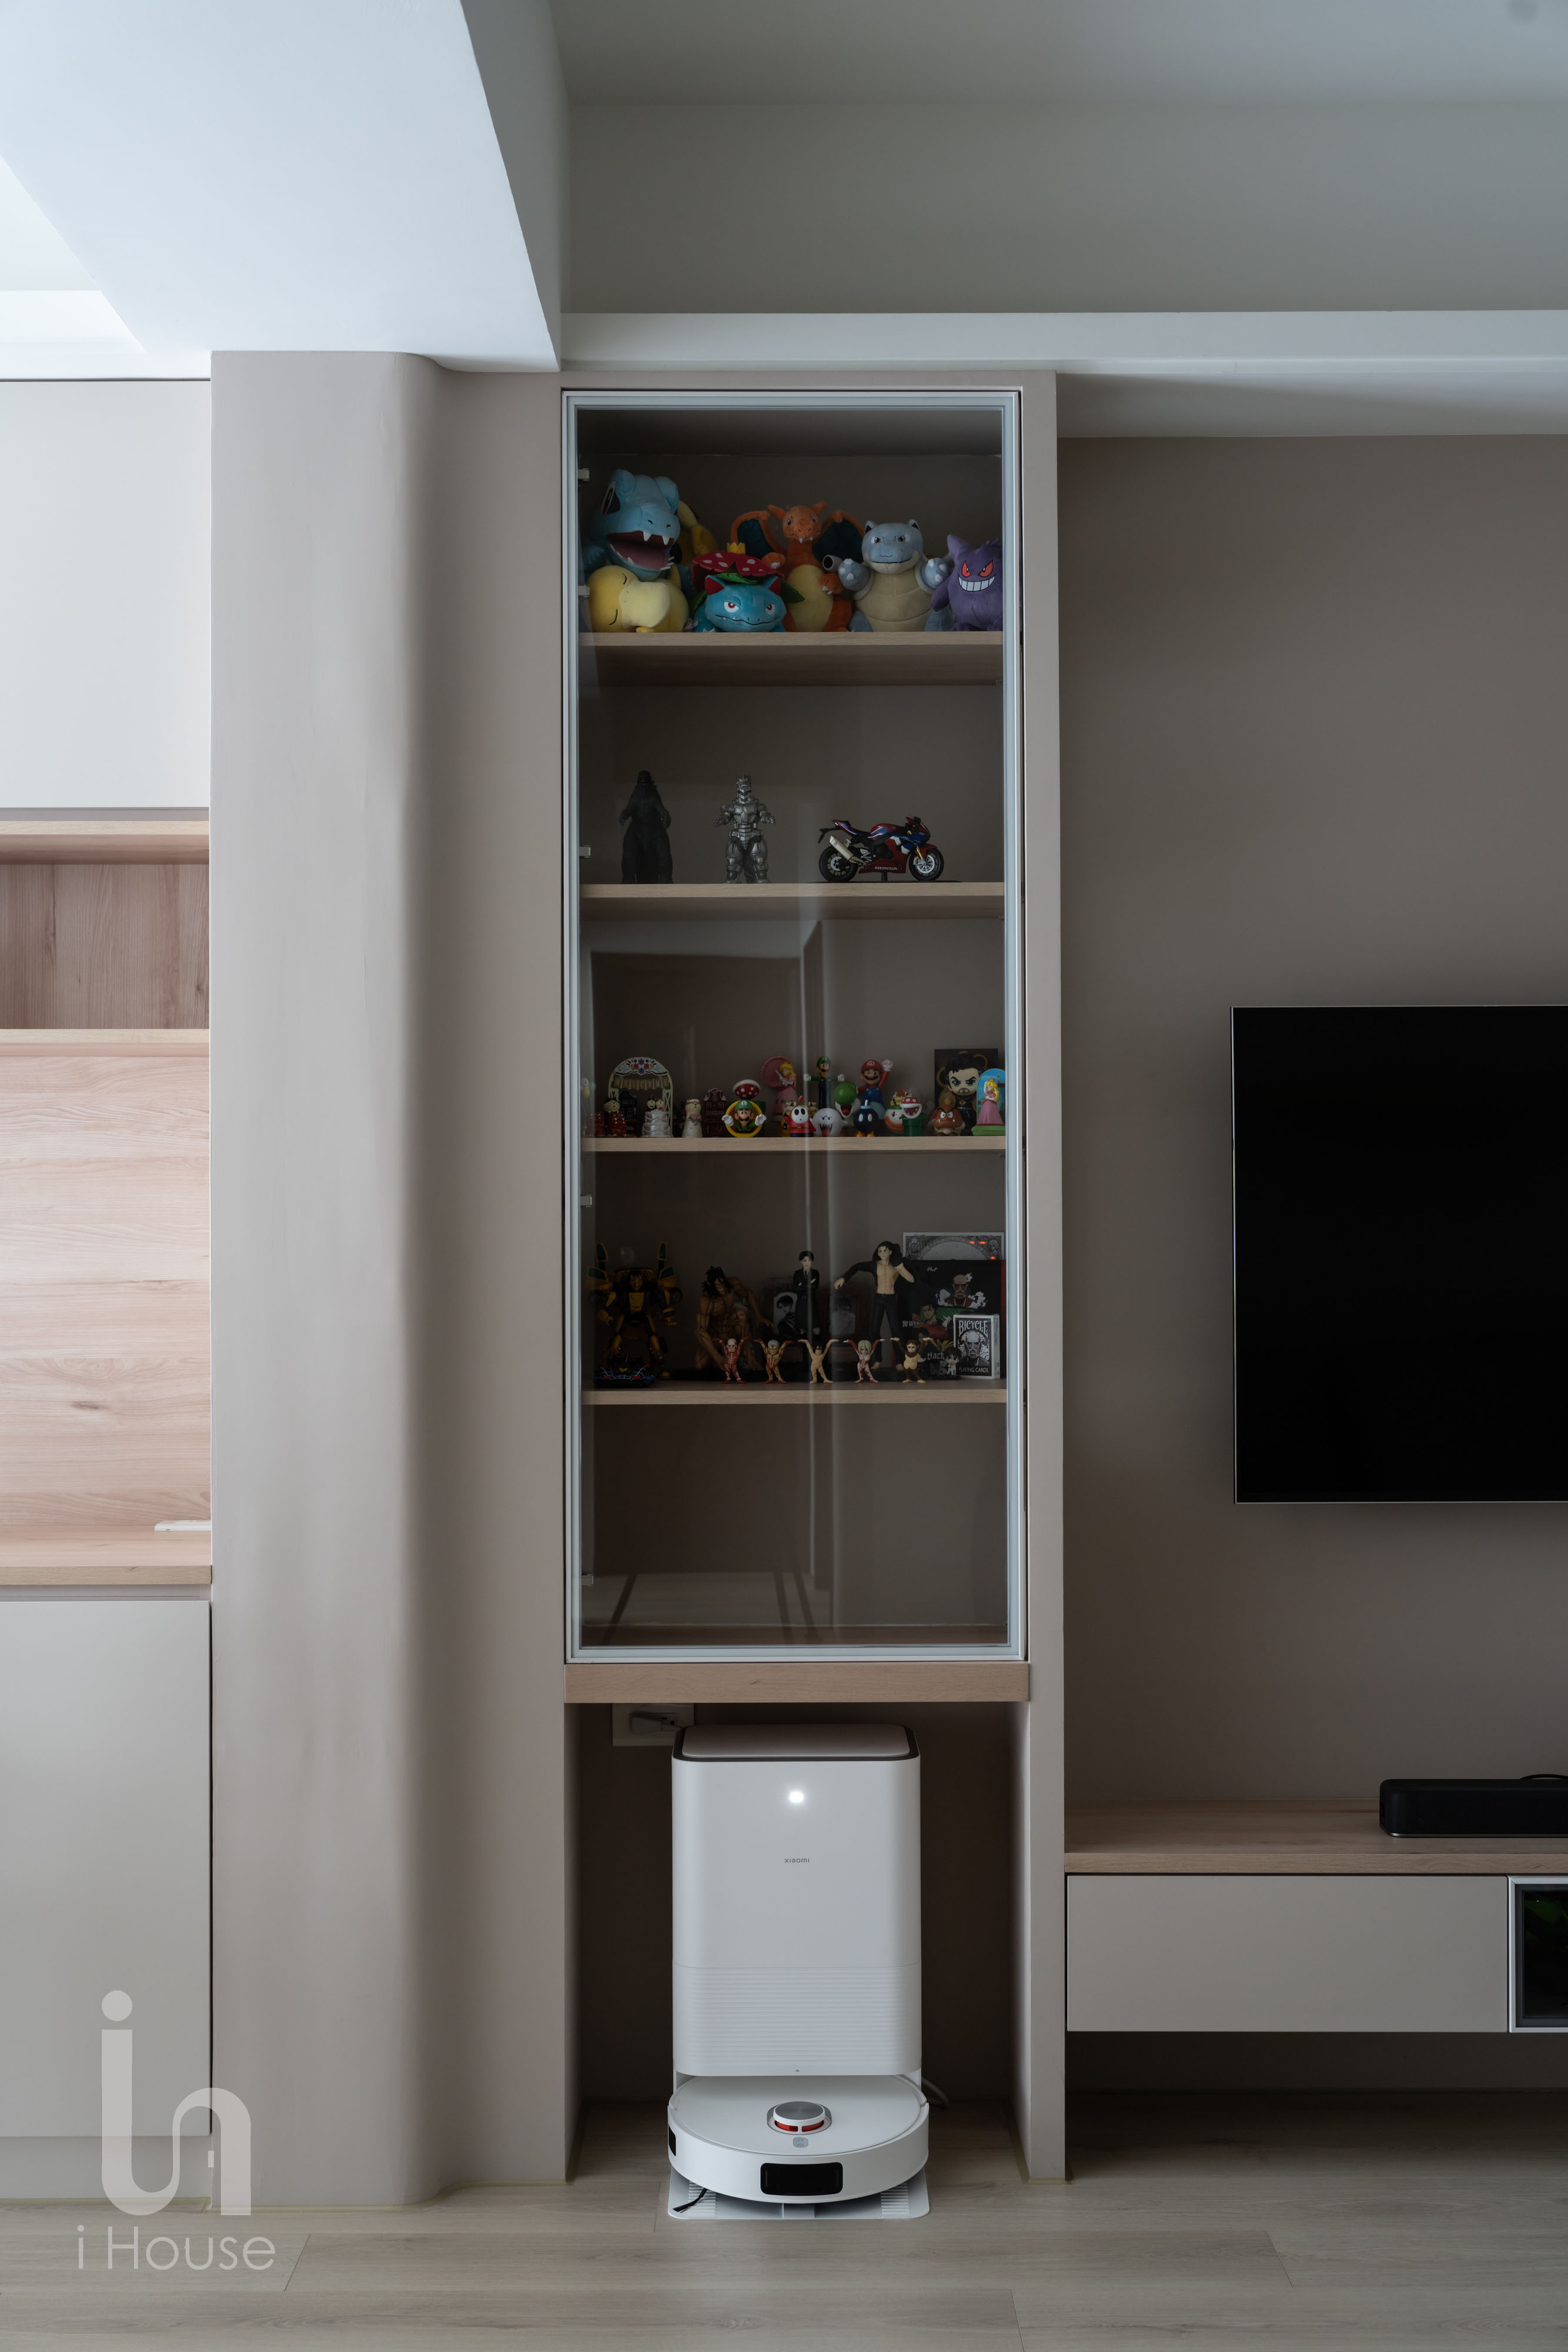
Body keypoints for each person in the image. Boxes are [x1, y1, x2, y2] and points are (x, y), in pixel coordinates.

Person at [833, 1240, 914, 1365]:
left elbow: (911, 1279)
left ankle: (899, 1361)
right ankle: (878, 1360)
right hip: (879, 1299)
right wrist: (844, 1278)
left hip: (891, 1299)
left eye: (885, 1250)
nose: (882, 1253)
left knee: (896, 1331)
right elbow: (857, 1267)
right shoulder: (874, 1265)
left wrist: (901, 1268)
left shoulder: (896, 1265)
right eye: (880, 1251)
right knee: (874, 1330)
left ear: (891, 1252)